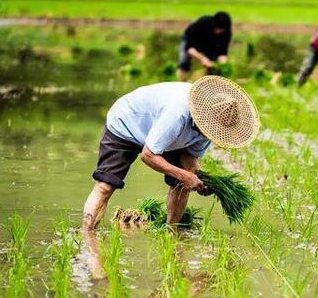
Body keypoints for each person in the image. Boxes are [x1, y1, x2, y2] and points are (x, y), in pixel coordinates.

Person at [81, 76, 260, 231]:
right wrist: (184, 175)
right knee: (105, 186)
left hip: (166, 136)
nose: (209, 134)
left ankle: (171, 233)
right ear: (201, 117)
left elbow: (191, 157)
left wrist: (197, 178)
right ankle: (87, 237)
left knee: (182, 185)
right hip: (127, 123)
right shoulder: (177, 113)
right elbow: (148, 155)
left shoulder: (213, 126)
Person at [177, 12, 232, 81]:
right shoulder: (202, 24)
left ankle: (208, 86)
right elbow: (189, 49)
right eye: (218, 29)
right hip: (193, 40)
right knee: (184, 62)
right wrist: (202, 58)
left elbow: (223, 52)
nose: (219, 32)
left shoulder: (226, 32)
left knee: (213, 69)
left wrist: (222, 66)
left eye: (222, 30)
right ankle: (181, 82)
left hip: (210, 43)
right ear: (214, 25)